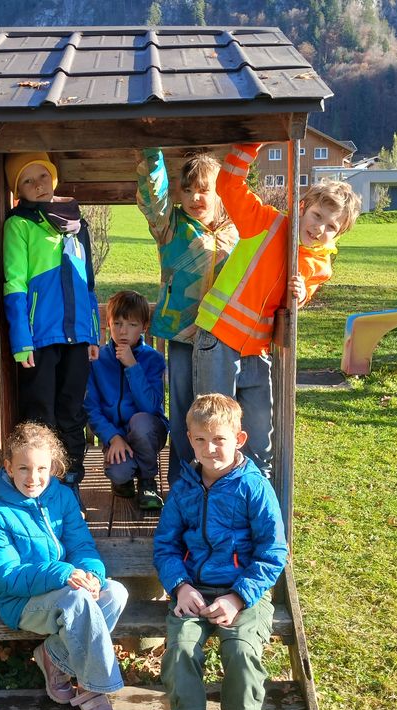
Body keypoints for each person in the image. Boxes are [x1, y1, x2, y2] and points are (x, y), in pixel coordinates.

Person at [194, 144, 362, 477]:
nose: (320, 229)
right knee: (213, 430)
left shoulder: (319, 264)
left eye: (331, 226)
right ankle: (210, 496)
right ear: (303, 207)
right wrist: (252, 143)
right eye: (317, 216)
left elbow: (297, 300)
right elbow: (229, 184)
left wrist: (301, 295)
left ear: (339, 234)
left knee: (259, 436)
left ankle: (257, 497)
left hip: (259, 350)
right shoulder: (266, 223)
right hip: (219, 338)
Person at [153, 394, 288, 710]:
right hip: (193, 592)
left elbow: (273, 552)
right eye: (200, 439)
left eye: (219, 439)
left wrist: (238, 597)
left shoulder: (254, 488)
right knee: (180, 654)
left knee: (241, 654)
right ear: (189, 439)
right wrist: (179, 585)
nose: (209, 448)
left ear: (239, 439)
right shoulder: (184, 488)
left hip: (243, 593)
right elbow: (165, 545)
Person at [0, 422, 128, 710]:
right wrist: (63, 573)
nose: (32, 478)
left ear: (53, 468)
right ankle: (94, 689)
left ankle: (53, 656)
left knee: (116, 593)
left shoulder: (62, 497)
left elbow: (81, 545)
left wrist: (92, 575)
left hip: (65, 590)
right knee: (77, 601)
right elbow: (5, 575)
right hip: (22, 602)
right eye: (23, 468)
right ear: (8, 467)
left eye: (41, 469)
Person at [136, 147, 238, 486]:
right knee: (183, 407)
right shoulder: (171, 225)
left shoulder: (235, 231)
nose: (195, 197)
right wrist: (153, 155)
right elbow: (154, 199)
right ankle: (183, 483)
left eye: (204, 189)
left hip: (222, 336)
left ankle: (218, 481)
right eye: (188, 189)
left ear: (220, 192)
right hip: (182, 333)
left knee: (218, 409)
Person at [2, 152, 101, 502]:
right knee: (40, 414)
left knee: (72, 412)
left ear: (53, 178)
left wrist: (93, 333)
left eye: (42, 176)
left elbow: (88, 285)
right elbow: (14, 283)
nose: (38, 185)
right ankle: (39, 491)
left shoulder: (77, 224)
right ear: (18, 190)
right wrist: (21, 340)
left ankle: (70, 485)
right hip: (39, 338)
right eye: (27, 181)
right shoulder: (19, 224)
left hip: (78, 336)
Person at [85, 290, 168, 512]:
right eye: (117, 324)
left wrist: (133, 367)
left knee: (140, 422)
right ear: (108, 324)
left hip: (149, 431)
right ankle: (125, 478)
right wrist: (113, 438)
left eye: (132, 325)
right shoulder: (97, 360)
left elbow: (150, 406)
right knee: (118, 472)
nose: (123, 331)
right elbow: (92, 408)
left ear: (144, 327)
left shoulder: (153, 360)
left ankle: (148, 481)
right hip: (117, 436)